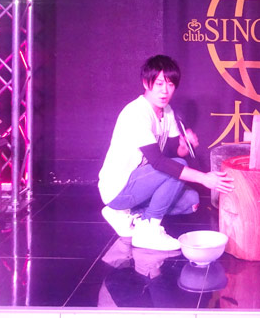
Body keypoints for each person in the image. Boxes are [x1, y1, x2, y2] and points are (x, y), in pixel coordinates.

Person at [98, 55, 234, 251]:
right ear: (145, 83)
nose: (165, 90)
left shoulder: (166, 111)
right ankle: (149, 231)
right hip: (119, 188)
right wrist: (204, 178)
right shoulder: (136, 113)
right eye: (159, 83)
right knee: (177, 168)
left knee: (191, 202)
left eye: (170, 84)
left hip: (142, 183)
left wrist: (184, 147)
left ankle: (125, 215)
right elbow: (159, 162)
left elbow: (172, 152)